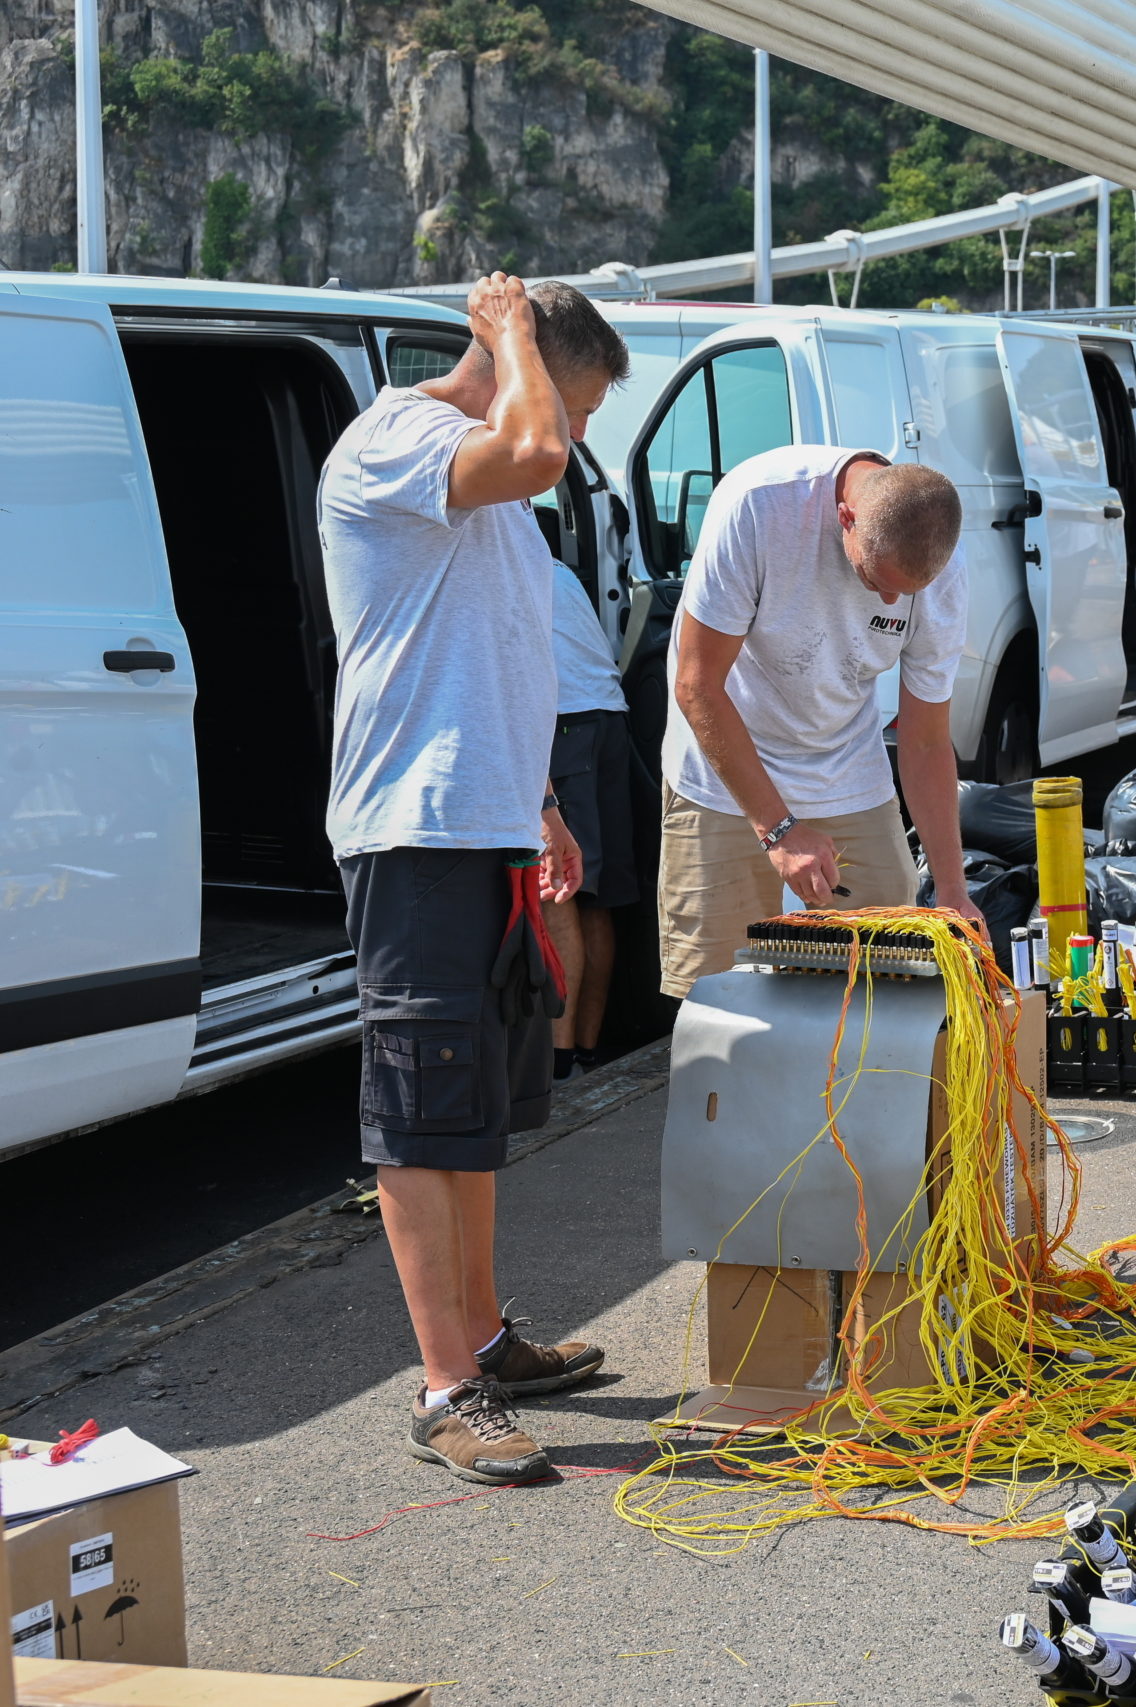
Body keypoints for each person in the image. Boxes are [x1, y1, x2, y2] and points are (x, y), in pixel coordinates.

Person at [318, 274, 627, 1485]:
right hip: (414, 831)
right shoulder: (397, 440)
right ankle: (446, 1388)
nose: (577, 435)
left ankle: (488, 1339)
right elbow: (537, 449)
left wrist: (538, 801)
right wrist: (511, 335)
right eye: (579, 403)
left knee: (479, 1107)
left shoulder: (494, 488)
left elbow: (492, 649)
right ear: (515, 367)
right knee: (419, 1111)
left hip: (484, 826)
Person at [660, 446, 983, 999]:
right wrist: (779, 830)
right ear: (845, 518)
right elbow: (697, 686)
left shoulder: (941, 567)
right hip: (724, 769)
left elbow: (926, 741)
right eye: (875, 580)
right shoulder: (758, 505)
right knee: (716, 998)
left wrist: (953, 888)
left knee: (889, 979)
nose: (890, 599)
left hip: (845, 766)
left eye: (905, 593)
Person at [543, 560, 641, 1081]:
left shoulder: (501, 557)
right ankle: (586, 1052)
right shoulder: (559, 569)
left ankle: (557, 1065)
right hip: (608, 715)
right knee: (595, 898)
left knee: (560, 890)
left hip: (563, 720)